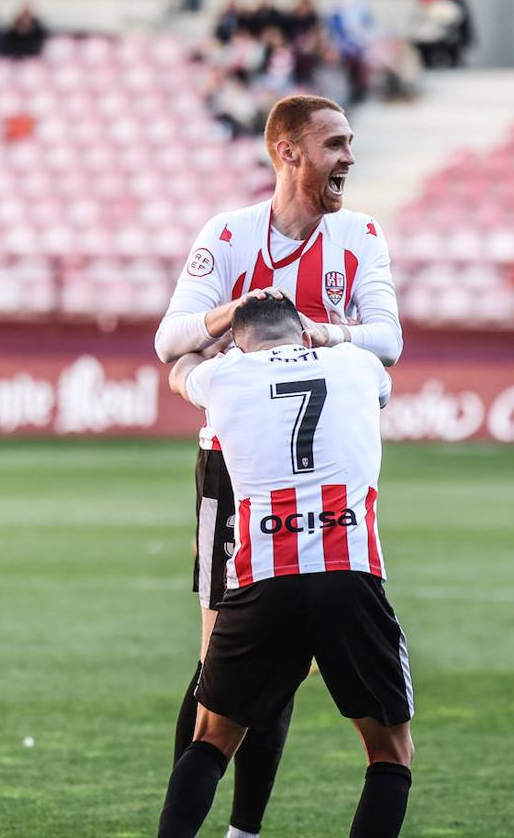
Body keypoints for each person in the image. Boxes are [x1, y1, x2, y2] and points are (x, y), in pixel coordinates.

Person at [154, 93, 402, 838]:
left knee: (283, 660)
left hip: (316, 466)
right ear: (289, 153)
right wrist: (237, 312)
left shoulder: (359, 236)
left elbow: (387, 337)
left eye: (350, 142)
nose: (349, 158)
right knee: (218, 672)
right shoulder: (229, 236)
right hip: (230, 474)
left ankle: (244, 829)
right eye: (335, 144)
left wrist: (305, 331)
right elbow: (170, 337)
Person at [157, 293, 413, 838]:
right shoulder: (356, 363)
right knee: (390, 753)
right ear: (302, 330)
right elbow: (383, 382)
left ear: (241, 344)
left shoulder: (225, 376)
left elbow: (179, 368)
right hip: (349, 574)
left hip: (263, 577)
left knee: (210, 740)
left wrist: (218, 344)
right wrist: (332, 336)